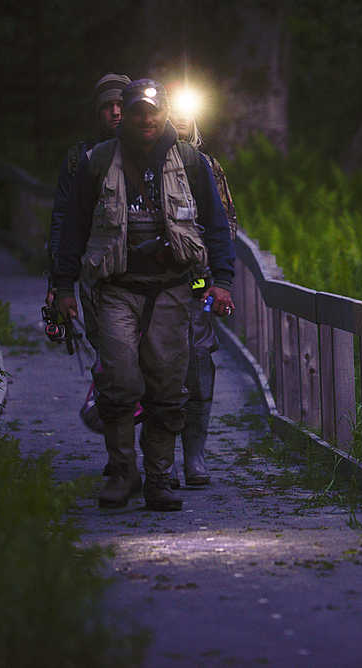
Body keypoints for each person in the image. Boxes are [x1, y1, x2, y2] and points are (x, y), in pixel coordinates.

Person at [53, 78, 236, 511]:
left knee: (169, 387)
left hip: (173, 291)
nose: (145, 119)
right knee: (118, 381)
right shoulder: (97, 162)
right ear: (127, 114)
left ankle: (159, 478)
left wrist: (222, 281)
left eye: (152, 111)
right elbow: (73, 227)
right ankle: (121, 472)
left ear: (164, 113)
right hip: (116, 290)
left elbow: (216, 225)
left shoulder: (192, 163)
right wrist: (62, 287)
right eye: (137, 111)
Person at [160, 106, 239, 488]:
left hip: (198, 284)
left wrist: (218, 279)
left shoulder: (207, 167)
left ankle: (195, 454)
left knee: (199, 361)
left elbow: (226, 224)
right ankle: (162, 458)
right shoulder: (142, 161)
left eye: (185, 113)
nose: (178, 120)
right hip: (155, 282)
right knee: (157, 367)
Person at [46, 73, 131, 305]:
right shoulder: (79, 159)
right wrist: (60, 281)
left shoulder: (152, 155)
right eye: (108, 106)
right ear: (97, 112)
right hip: (97, 273)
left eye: (121, 105)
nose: (116, 112)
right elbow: (63, 220)